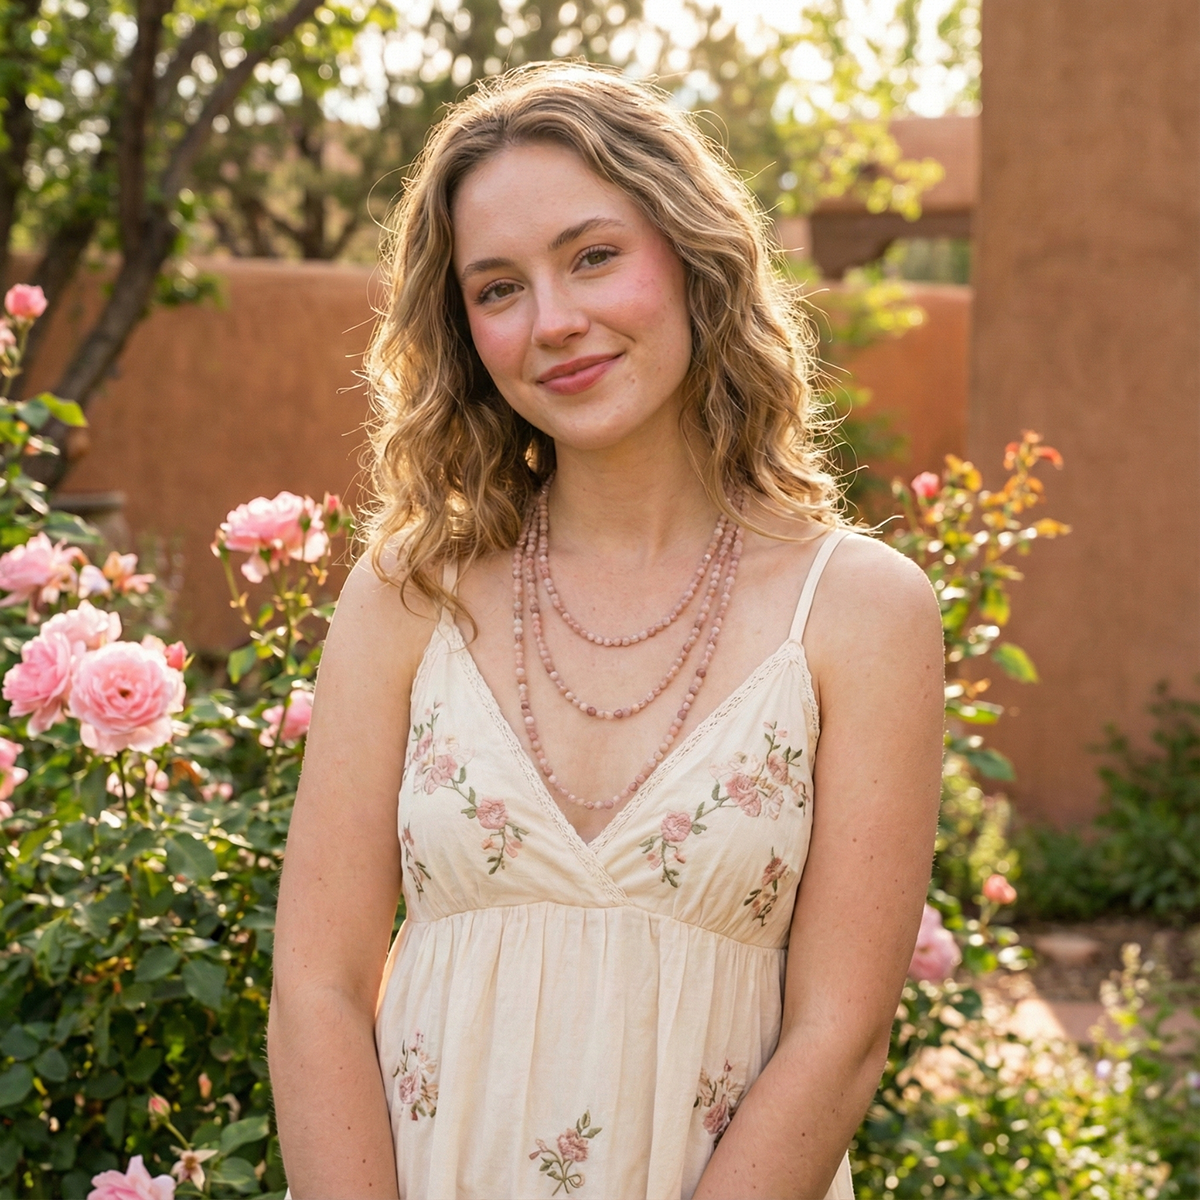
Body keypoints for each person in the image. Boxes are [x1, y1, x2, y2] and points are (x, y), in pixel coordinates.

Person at [268, 62, 944, 1200]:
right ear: (463, 327)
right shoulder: (408, 594)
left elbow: (840, 1038)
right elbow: (318, 986)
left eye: (592, 256)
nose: (555, 322)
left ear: (689, 256)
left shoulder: (862, 611)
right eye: (497, 288)